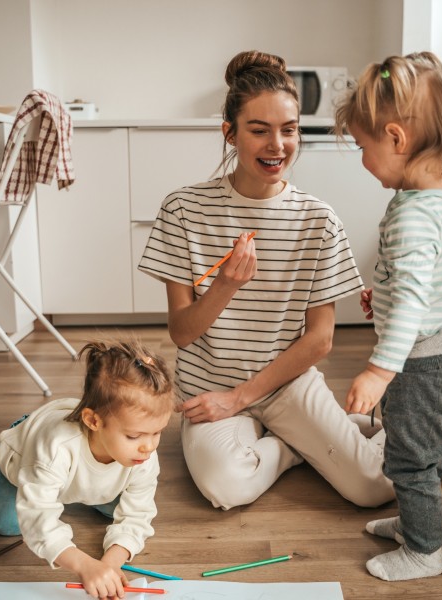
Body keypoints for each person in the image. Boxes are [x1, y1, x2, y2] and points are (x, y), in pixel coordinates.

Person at [138, 50, 394, 512]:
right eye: (259, 130)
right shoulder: (182, 209)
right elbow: (181, 332)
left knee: (374, 488)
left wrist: (242, 398)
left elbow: (319, 340)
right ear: (230, 133)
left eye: (289, 129)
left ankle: (304, 438)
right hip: (209, 388)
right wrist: (224, 287)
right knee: (225, 487)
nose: (277, 145)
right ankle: (300, 448)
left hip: (287, 383)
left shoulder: (318, 220)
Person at [333, 52, 442, 582]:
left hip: (422, 368)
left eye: (363, 146)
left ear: (396, 139)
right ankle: (420, 522)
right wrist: (390, 294)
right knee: (425, 455)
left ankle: (424, 551)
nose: (363, 159)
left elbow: (416, 299)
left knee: (409, 461)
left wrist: (378, 370)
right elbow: (429, 284)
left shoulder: (413, 216)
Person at [0, 340, 176, 599]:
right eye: (135, 436)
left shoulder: (143, 452)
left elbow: (137, 516)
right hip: (24, 450)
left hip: (70, 470)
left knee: (113, 511)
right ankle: (9, 465)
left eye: (157, 432)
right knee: (5, 523)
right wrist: (85, 566)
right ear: (93, 421)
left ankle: (65, 490)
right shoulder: (56, 449)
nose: (149, 447)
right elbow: (38, 523)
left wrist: (108, 565)